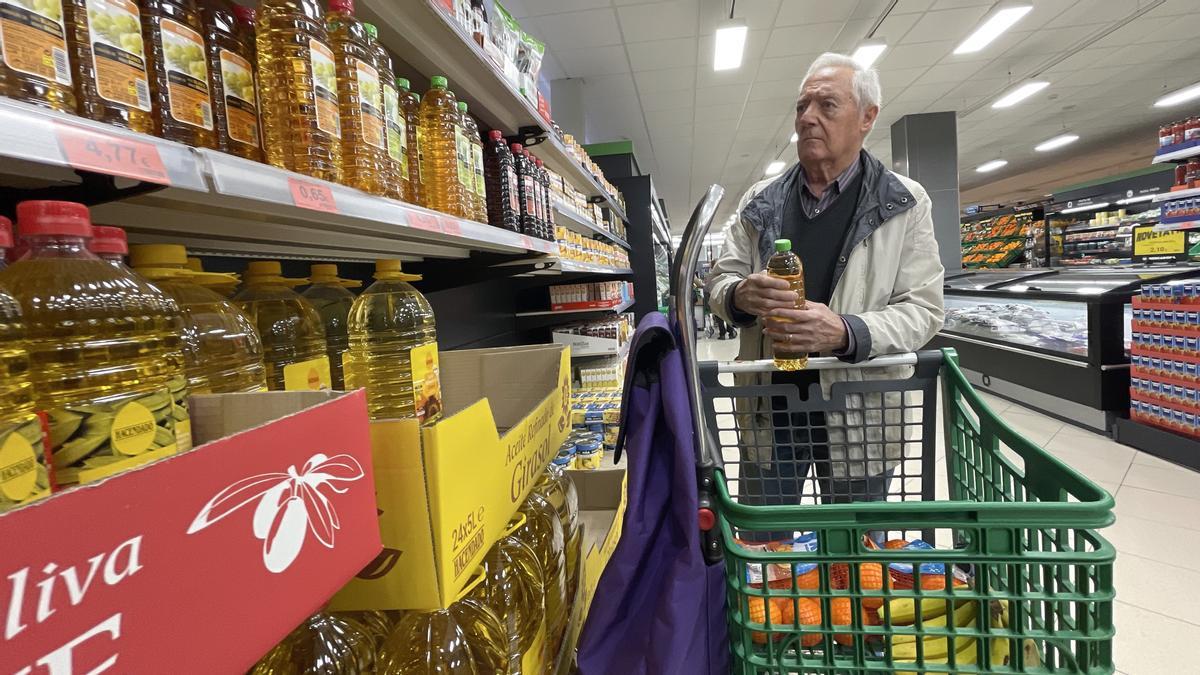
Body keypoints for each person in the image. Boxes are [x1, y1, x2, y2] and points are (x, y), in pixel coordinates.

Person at [705, 52, 945, 519]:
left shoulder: (904, 202)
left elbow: (924, 309)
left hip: (860, 411)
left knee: (855, 560)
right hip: (769, 409)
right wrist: (737, 295)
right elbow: (720, 281)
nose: (808, 119)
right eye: (802, 106)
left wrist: (844, 331)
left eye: (827, 106)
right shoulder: (760, 201)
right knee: (765, 547)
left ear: (867, 118)